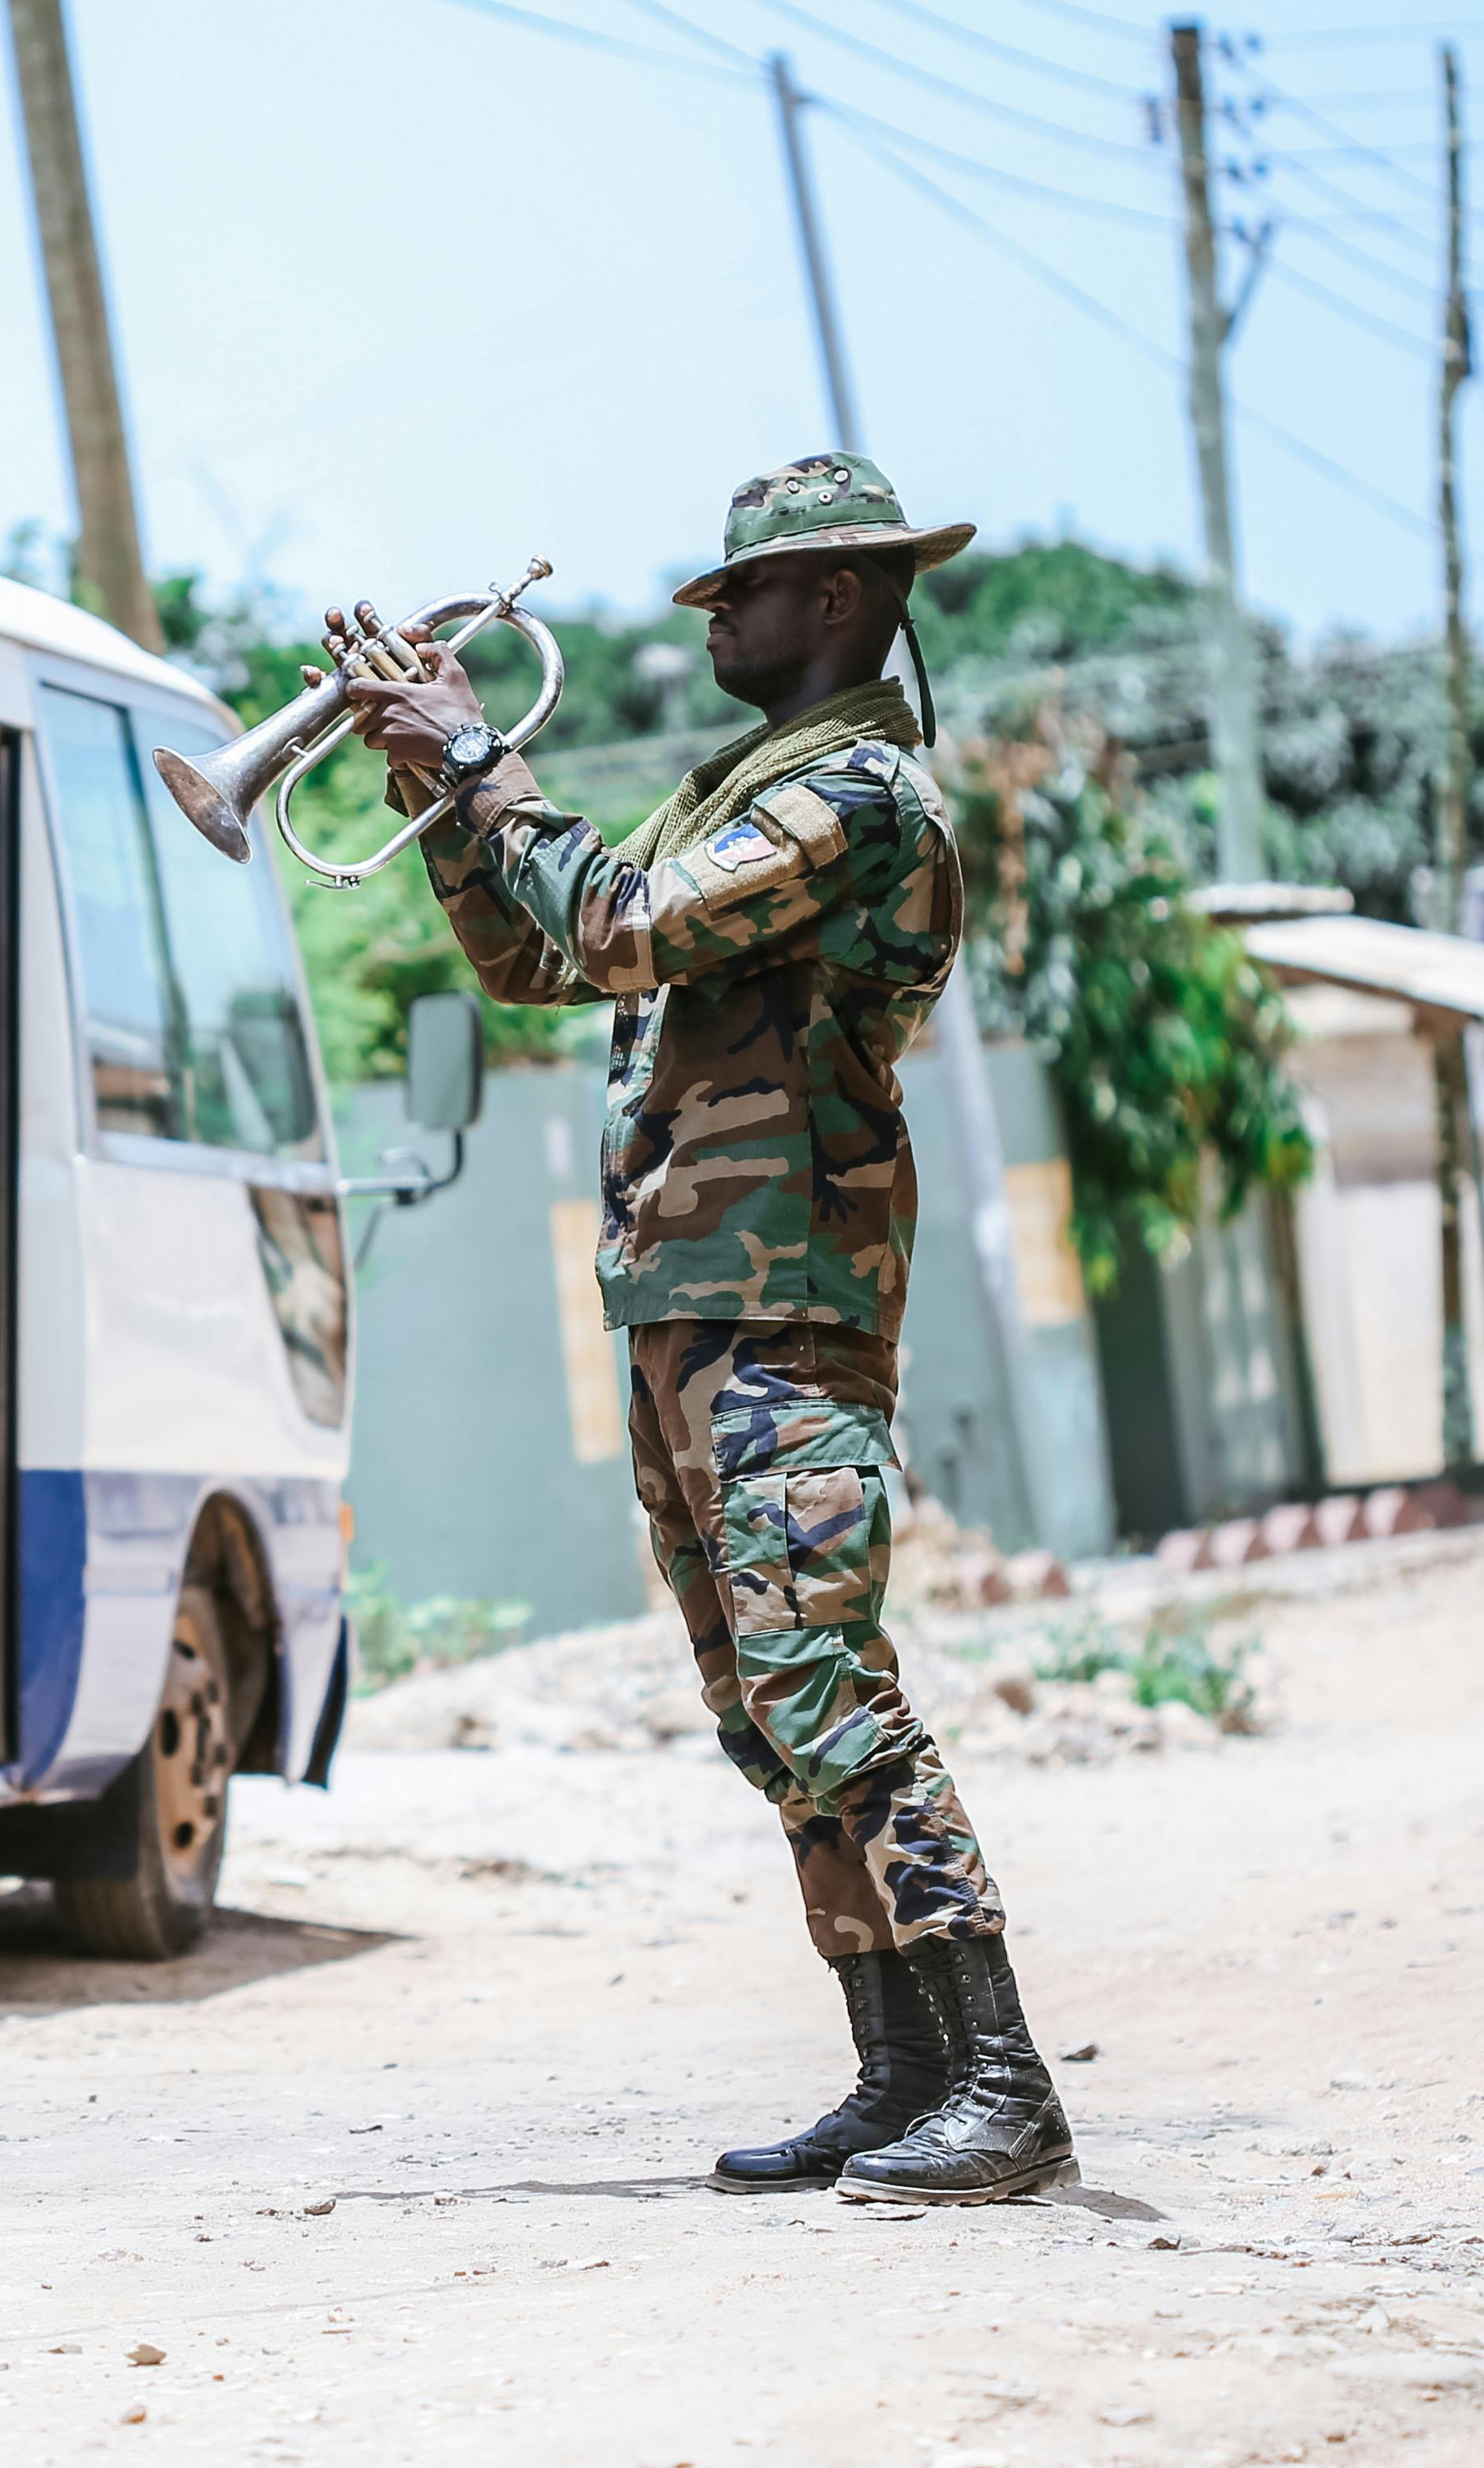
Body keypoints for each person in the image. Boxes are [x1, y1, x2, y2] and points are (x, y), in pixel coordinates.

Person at [335, 456, 1075, 2206]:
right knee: (764, 1707)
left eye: (738, 593)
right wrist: (437, 800)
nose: (714, 615)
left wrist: (469, 754)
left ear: (835, 599)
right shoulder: (733, 790)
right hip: (689, 1302)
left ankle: (998, 2080)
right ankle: (897, 2076)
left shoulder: (856, 801)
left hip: (782, 1301)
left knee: (823, 1681)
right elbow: (544, 965)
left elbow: (614, 919)